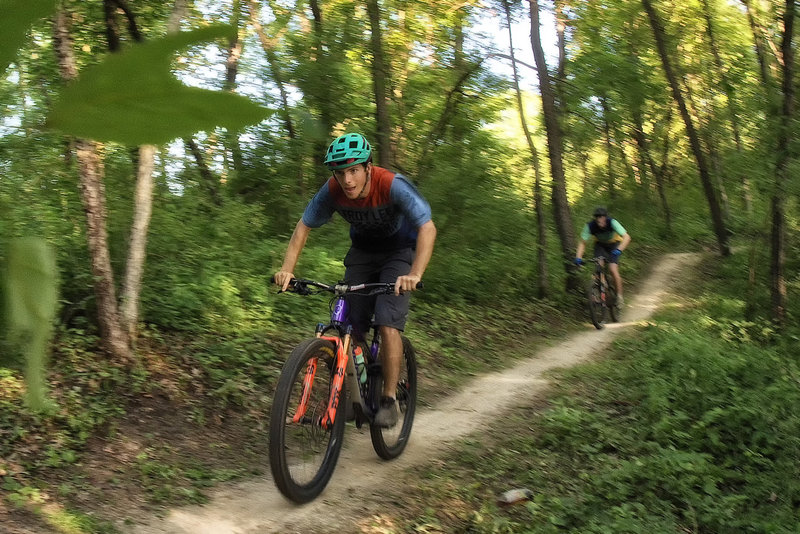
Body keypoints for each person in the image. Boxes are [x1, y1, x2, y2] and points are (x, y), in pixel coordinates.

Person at [273, 133, 436, 428]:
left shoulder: (392, 185)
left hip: (399, 254)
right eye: (340, 172)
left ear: (368, 168)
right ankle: (351, 396)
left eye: (353, 170)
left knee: (387, 321)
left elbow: (427, 227)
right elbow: (303, 226)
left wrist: (415, 274)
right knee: (350, 325)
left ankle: (388, 399)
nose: (347, 180)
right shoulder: (332, 190)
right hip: (363, 252)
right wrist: (287, 269)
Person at [574, 206, 631, 306]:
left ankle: (619, 297)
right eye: (597, 218)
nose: (600, 220)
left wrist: (619, 250)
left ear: (605, 217)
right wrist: (578, 257)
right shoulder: (590, 226)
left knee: (613, 269)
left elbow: (627, 237)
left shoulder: (612, 222)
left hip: (614, 244)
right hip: (600, 245)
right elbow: (582, 243)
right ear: (595, 219)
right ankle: (602, 291)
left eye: (602, 217)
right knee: (598, 267)